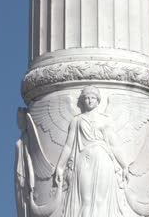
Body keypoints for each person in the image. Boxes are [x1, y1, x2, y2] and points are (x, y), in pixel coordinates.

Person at [53, 87, 129, 217]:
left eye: (93, 98)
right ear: (83, 100)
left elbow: (114, 144)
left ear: (98, 100)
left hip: (103, 159)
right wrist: (60, 166)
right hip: (84, 161)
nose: (89, 101)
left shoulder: (105, 120)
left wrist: (124, 165)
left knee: (100, 200)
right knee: (85, 200)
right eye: (87, 98)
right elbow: (68, 145)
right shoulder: (76, 120)